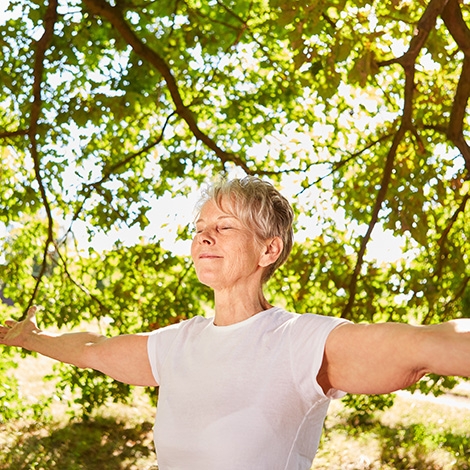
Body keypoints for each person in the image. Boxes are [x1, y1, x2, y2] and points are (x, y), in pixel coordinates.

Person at [0, 176, 469, 469]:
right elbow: (90, 349)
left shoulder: (302, 342)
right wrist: (31, 338)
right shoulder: (177, 344)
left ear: (269, 249)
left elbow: (428, 345)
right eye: (200, 228)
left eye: (224, 226)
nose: (205, 237)